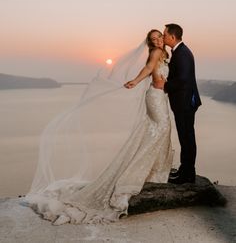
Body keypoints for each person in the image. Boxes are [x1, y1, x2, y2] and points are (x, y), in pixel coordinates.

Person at [24, 29, 172, 225]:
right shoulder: (154, 53)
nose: (156, 41)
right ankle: (138, 173)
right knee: (159, 130)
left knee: (158, 132)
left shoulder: (165, 54)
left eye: (158, 37)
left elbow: (163, 75)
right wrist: (136, 81)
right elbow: (148, 69)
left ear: (163, 37)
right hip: (154, 97)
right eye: (152, 39)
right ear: (150, 43)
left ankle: (153, 172)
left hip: (161, 97)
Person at [155, 23, 201, 184]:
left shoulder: (182, 53)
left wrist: (165, 86)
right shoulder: (180, 52)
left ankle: (187, 175)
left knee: (186, 138)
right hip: (184, 102)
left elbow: (183, 79)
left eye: (165, 34)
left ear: (172, 37)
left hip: (185, 103)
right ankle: (185, 170)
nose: (163, 37)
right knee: (185, 137)